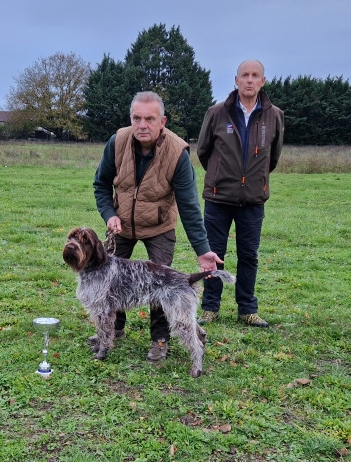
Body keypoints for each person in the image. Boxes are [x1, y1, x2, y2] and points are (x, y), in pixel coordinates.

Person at [93, 91, 222, 362]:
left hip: (159, 227)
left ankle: (159, 340)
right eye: (136, 118)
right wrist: (109, 215)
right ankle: (113, 330)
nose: (142, 124)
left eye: (149, 119)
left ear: (162, 121)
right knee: (109, 281)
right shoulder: (116, 143)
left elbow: (189, 206)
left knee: (162, 285)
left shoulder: (177, 153)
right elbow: (101, 185)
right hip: (122, 225)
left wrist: (203, 250)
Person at [196, 59, 284, 328]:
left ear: (262, 82)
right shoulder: (217, 112)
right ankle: (210, 308)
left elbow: (273, 157)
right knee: (213, 254)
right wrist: (221, 176)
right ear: (236, 81)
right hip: (218, 198)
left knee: (249, 255)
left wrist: (253, 182)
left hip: (253, 201)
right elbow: (203, 151)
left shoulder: (275, 116)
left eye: (254, 75)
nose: (249, 80)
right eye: (244, 75)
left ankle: (247, 309)